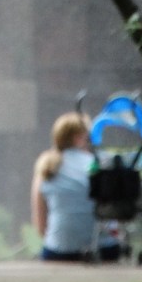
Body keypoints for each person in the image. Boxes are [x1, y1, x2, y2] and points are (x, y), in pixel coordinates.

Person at [31, 112, 106, 262]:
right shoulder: (98, 163)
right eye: (88, 137)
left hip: (57, 251)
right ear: (78, 138)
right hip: (103, 250)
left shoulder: (46, 169)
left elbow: (41, 227)